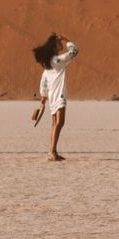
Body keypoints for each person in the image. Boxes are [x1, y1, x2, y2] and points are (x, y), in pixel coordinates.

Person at [33, 33, 79, 161]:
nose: (61, 44)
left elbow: (44, 81)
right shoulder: (58, 60)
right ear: (54, 47)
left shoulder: (48, 63)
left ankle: (52, 152)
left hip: (52, 96)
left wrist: (43, 95)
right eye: (59, 42)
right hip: (59, 95)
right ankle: (53, 152)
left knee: (54, 124)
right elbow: (74, 51)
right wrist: (67, 39)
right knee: (60, 123)